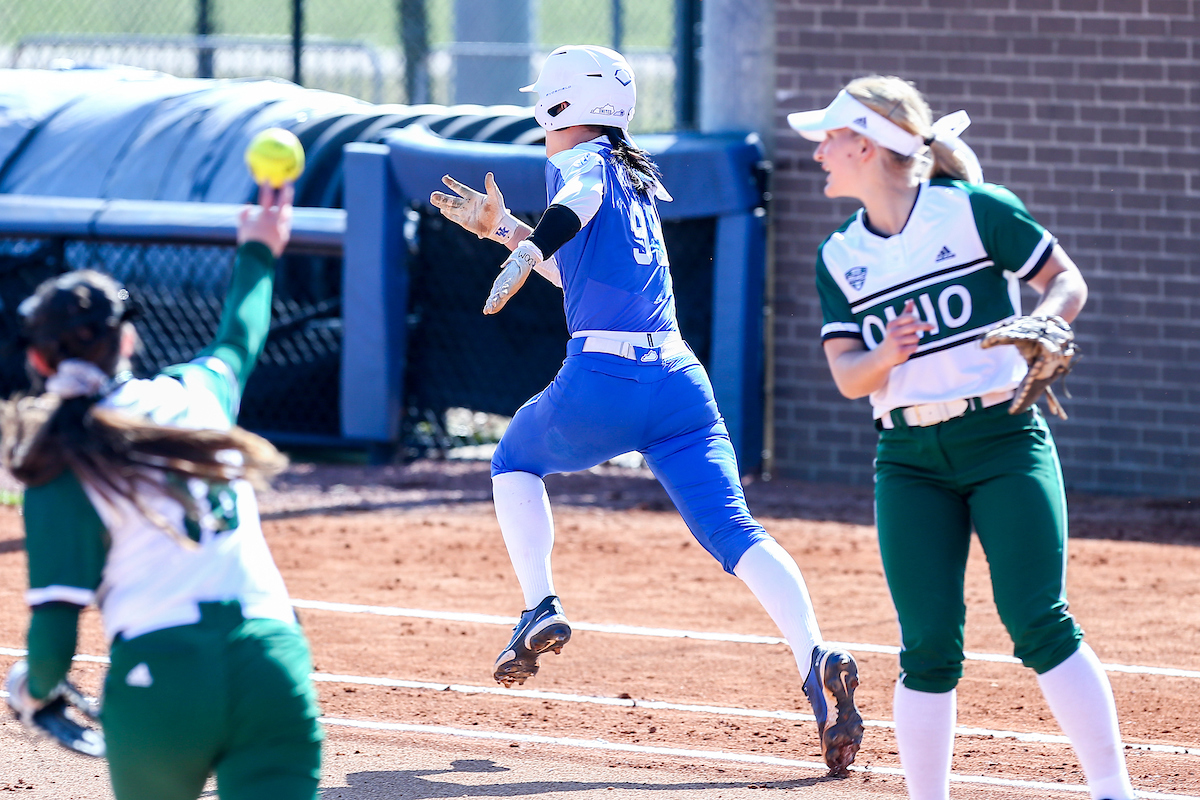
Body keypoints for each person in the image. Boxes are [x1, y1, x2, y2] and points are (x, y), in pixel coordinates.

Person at [430, 44, 864, 774]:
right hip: (678, 379)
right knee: (734, 529)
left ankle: (540, 604)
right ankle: (815, 661)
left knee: (513, 460)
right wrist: (507, 233)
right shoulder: (632, 173)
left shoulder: (586, 164)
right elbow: (577, 270)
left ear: (561, 105)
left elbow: (573, 207)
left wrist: (525, 246)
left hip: (605, 374)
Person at [788, 76, 1136, 800]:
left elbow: (1062, 279)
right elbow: (849, 377)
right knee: (928, 648)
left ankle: (1112, 791)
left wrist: (1053, 318)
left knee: (1041, 622)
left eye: (830, 137)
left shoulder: (976, 211)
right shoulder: (839, 254)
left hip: (1002, 437)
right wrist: (884, 356)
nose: (819, 150)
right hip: (908, 459)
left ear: (867, 142)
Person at [1, 183, 323, 800]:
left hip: (162, 682)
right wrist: (258, 250)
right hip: (273, 663)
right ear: (126, 340)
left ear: (38, 362)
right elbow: (239, 339)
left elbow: (54, 640)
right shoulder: (195, 397)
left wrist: (32, 688)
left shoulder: (60, 457)